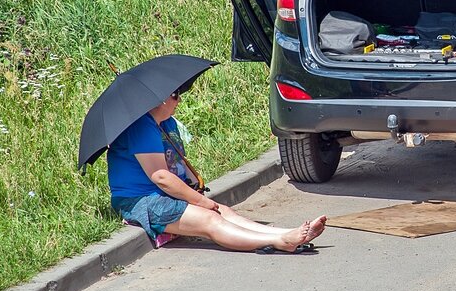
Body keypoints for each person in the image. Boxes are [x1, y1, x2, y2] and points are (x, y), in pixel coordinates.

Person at [107, 90, 326, 252]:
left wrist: (194, 184)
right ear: (161, 99)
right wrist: (200, 201)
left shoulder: (165, 124)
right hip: (141, 200)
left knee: (225, 213)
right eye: (175, 95)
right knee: (210, 221)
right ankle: (278, 242)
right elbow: (161, 177)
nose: (179, 100)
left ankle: (284, 233)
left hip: (162, 195)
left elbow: (175, 164)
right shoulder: (141, 128)